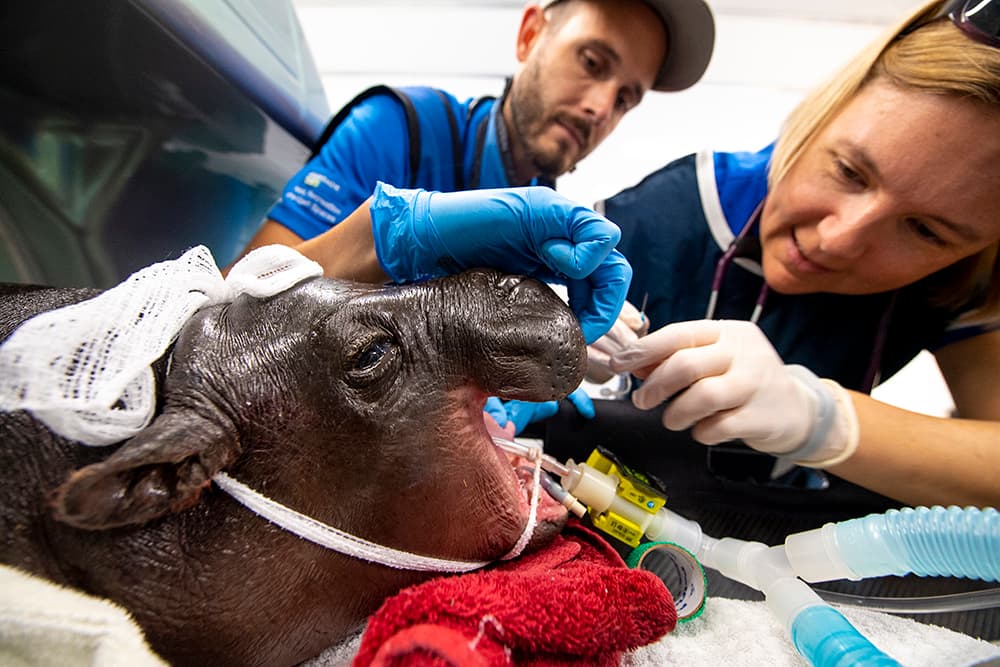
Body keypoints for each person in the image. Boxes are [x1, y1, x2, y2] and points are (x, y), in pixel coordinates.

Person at [585, 0, 1000, 513]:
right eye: (849, 171)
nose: (835, 241)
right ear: (819, 115)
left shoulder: (958, 281)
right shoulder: (661, 215)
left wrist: (825, 421)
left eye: (924, 230)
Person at [237, 0, 715, 261]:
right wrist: (385, 245)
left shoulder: (542, 224)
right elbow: (241, 302)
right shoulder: (396, 130)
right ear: (530, 35)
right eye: (592, 62)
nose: (600, 108)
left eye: (625, 99)